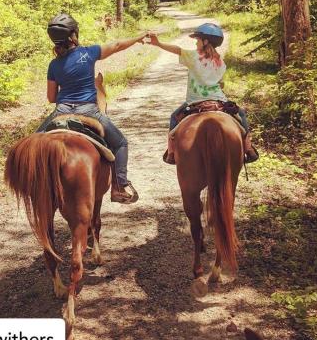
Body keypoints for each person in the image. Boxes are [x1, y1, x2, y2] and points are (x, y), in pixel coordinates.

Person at [37, 13, 145, 204]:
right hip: (89, 111)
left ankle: (35, 188)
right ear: (73, 35)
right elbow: (117, 45)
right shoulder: (88, 53)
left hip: (61, 112)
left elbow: (51, 97)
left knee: (32, 144)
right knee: (121, 143)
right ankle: (120, 186)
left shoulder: (53, 65)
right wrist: (138, 37)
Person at [147, 23, 259, 164]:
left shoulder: (194, 56)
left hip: (195, 101)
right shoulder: (220, 61)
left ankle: (171, 152)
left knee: (174, 117)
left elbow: (177, 50)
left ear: (205, 41)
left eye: (198, 40)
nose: (196, 42)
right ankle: (248, 148)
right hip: (220, 101)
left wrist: (158, 43)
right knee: (241, 114)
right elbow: (220, 83)